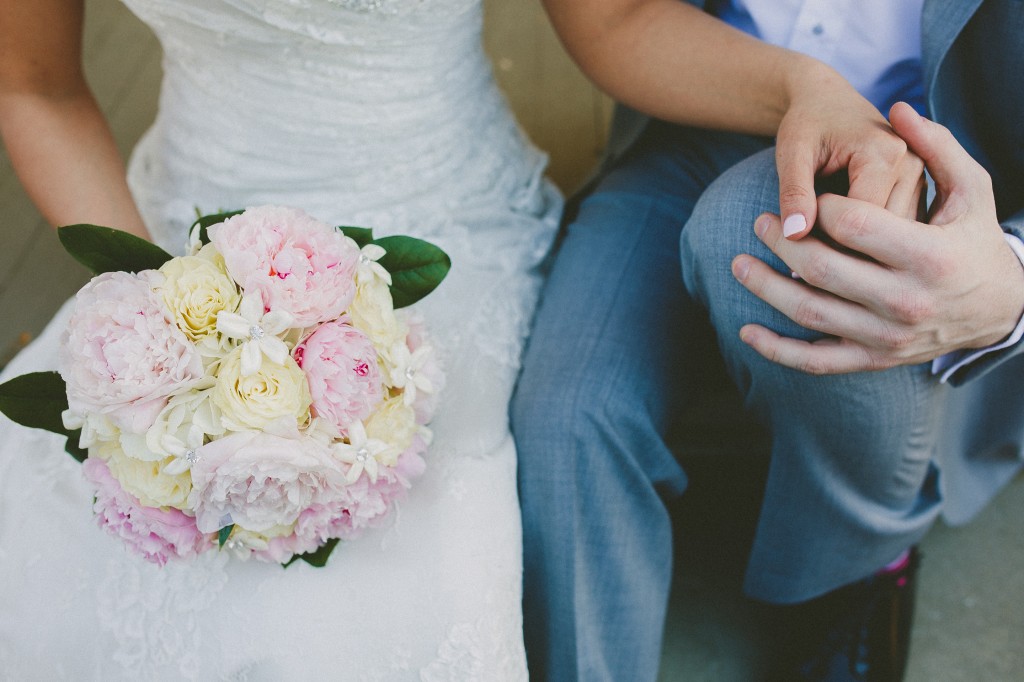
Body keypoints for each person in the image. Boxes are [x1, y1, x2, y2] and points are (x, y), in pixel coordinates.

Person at [0, 0, 560, 677]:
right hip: (179, 244)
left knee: (399, 573)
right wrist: (157, 309)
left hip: (443, 215)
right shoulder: (166, 287)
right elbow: (34, 84)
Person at [512, 0, 1024, 680]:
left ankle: (854, 567)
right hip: (712, 115)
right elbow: (613, 17)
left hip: (938, 162)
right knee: (566, 424)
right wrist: (802, 87)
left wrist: (1012, 279)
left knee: (758, 231)